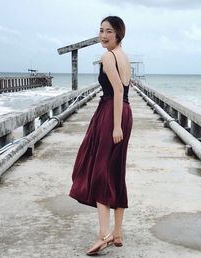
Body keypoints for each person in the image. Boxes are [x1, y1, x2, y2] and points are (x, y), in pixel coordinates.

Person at [69, 16, 133, 256]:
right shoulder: (124, 56)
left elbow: (117, 90)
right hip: (123, 111)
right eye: (101, 30)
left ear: (118, 34)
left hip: (111, 113)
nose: (103, 35)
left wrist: (116, 126)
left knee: (100, 173)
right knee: (115, 171)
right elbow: (124, 91)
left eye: (109, 31)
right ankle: (117, 232)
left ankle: (104, 235)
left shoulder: (108, 56)